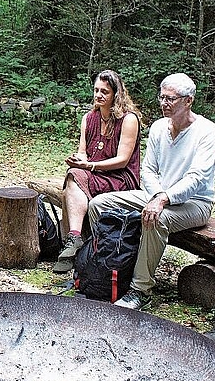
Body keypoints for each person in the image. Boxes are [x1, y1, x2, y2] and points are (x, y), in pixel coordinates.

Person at [88, 73, 215, 309]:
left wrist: (164, 198)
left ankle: (140, 289)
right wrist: (157, 195)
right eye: (162, 97)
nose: (163, 103)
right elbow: (148, 170)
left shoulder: (207, 132)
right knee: (99, 204)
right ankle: (107, 266)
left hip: (195, 203)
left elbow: (197, 179)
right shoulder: (158, 127)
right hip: (156, 194)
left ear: (188, 101)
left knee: (156, 219)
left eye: (171, 99)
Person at [53, 70, 141, 273]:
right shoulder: (89, 118)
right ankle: (75, 239)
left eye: (105, 92)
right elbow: (83, 153)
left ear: (116, 95)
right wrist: (78, 160)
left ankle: (74, 243)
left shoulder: (128, 119)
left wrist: (89, 166)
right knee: (72, 175)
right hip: (94, 174)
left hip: (120, 178)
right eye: (96, 90)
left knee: (71, 185)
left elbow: (122, 161)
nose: (99, 95)